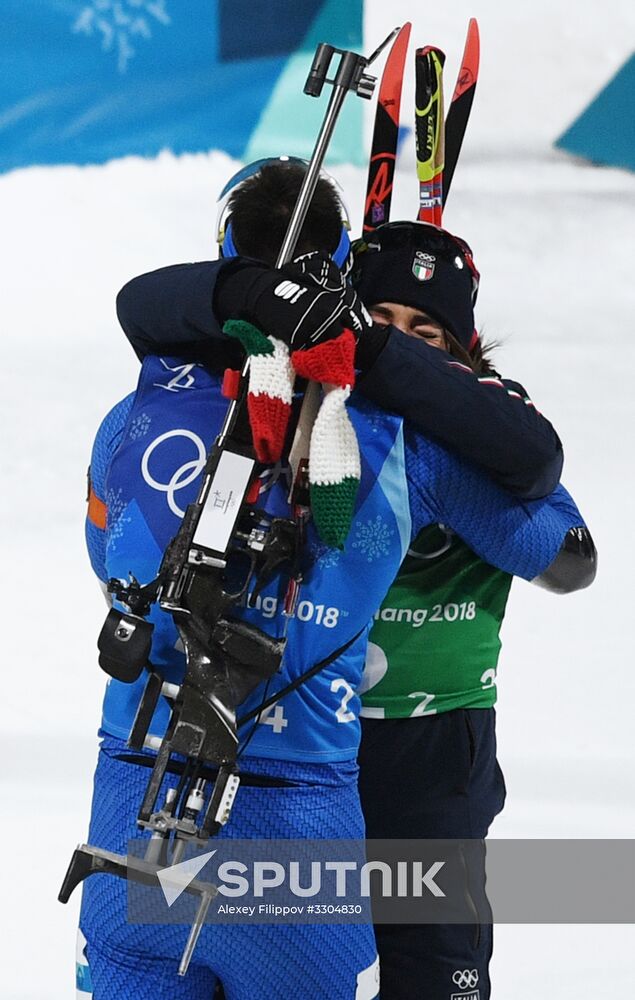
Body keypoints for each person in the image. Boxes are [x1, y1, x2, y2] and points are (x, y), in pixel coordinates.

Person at [79, 160, 591, 1000]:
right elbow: (562, 552)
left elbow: (109, 563)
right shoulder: (399, 436)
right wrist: (473, 403)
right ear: (343, 274)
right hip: (301, 836)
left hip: (136, 812)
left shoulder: (129, 417)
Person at [350, 220, 596, 999]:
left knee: (432, 969)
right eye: (381, 322)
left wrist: (467, 452)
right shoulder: (312, 412)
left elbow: (569, 562)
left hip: (432, 741)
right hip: (303, 739)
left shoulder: (490, 435)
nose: (401, 347)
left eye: (425, 331)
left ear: (461, 348)